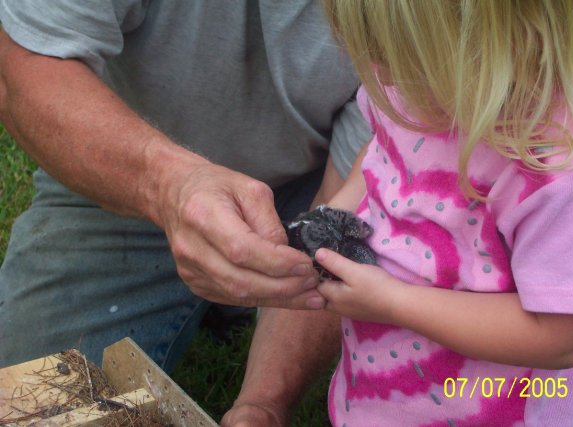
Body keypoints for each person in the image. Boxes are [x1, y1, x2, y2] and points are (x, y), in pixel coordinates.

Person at [0, 1, 370, 425]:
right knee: (34, 406)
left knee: (371, 248)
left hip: (330, 177)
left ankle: (235, 305)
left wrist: (262, 405)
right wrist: (168, 186)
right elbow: (27, 66)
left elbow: (367, 180)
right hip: (126, 166)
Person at [311, 1, 573, 425]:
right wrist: (334, 215)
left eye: (399, 53)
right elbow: (381, 150)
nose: (384, 72)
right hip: (382, 394)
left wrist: (393, 302)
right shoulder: (416, 82)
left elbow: (566, 337)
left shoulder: (567, 167)